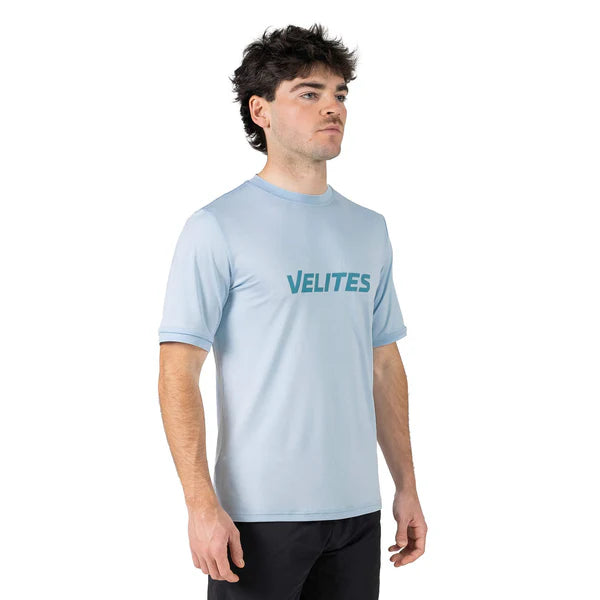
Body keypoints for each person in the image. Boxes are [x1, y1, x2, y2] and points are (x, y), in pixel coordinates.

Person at [157, 23, 427, 600]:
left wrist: (406, 486)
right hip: (258, 517)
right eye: (309, 93)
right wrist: (200, 505)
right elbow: (178, 371)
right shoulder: (217, 227)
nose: (333, 107)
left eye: (339, 94)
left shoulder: (369, 229)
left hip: (357, 514)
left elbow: (384, 364)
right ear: (261, 110)